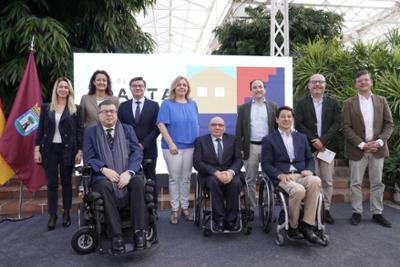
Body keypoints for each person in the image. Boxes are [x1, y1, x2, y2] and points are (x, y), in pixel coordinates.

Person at [83, 99, 147, 254]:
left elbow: (137, 152)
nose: (109, 114)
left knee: (138, 182)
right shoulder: (91, 132)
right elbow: (89, 157)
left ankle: (139, 231)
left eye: (112, 111)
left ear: (117, 114)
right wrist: (104, 170)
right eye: (105, 111)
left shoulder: (127, 129)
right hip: (102, 177)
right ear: (99, 115)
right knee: (104, 186)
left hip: (126, 172)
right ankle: (116, 235)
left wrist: (129, 172)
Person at [261, 106, 321, 243]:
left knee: (316, 181)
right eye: (283, 116)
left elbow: (309, 159)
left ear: (293, 119)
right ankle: (293, 227)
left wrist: (309, 170)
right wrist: (279, 175)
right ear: (277, 120)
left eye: (289, 116)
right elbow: (266, 164)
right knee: (298, 190)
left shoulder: (301, 137)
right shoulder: (269, 139)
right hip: (284, 177)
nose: (286, 119)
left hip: (301, 174)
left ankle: (307, 225)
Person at [342, 70, 393, 228]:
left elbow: (389, 124)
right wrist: (362, 144)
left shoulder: (381, 100)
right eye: (359, 81)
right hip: (358, 149)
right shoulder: (348, 103)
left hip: (378, 149)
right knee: (355, 182)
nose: (362, 83)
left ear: (371, 82)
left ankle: (377, 212)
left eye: (365, 80)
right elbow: (346, 127)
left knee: (377, 182)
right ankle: (356, 212)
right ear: (355, 84)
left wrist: (379, 142)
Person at [34, 77, 83, 230]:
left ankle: (66, 212)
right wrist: (36, 149)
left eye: (66, 87)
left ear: (69, 91)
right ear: (56, 89)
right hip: (49, 150)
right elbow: (40, 130)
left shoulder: (76, 109)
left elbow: (80, 132)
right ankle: (52, 215)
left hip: (68, 150)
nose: (63, 89)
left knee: (67, 183)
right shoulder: (46, 107)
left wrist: (80, 151)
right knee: (52, 184)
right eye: (60, 87)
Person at [294, 74, 341, 224]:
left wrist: (323, 140)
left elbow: (336, 123)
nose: (317, 85)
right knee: (312, 180)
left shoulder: (333, 103)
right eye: (314, 82)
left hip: (327, 148)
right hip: (309, 148)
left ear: (325, 85)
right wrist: (314, 140)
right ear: (309, 85)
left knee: (327, 180)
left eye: (320, 82)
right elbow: (299, 124)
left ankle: (325, 209)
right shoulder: (301, 104)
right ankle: (313, 209)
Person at [157, 75, 199, 224]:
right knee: (174, 179)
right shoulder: (167, 104)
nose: (182, 87)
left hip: (190, 147)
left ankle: (185, 208)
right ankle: (175, 209)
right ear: (174, 87)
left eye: (185, 85)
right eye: (179, 85)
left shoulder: (193, 104)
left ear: (188, 88)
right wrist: (171, 144)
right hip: (172, 148)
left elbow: (195, 125)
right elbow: (161, 124)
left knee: (186, 178)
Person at [235, 79, 278, 216]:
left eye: (260, 87)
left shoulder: (273, 106)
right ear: (251, 90)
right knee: (250, 179)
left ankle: (266, 206)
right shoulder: (243, 108)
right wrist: (239, 148)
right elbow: (239, 130)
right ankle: (251, 208)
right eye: (255, 87)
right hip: (251, 147)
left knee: (268, 179)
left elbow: (277, 129)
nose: (258, 89)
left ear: (264, 89)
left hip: (268, 148)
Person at [193, 117, 243, 231]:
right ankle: (219, 219)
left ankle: (231, 221)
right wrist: (215, 172)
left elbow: (239, 160)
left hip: (230, 173)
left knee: (235, 184)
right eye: (214, 125)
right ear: (209, 127)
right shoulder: (200, 141)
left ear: (224, 128)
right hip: (210, 175)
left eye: (220, 125)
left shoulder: (233, 140)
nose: (217, 127)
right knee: (213, 182)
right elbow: (197, 163)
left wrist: (230, 173)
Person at [118, 77, 160, 211]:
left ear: (144, 88)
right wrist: (133, 145)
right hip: (128, 150)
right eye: (134, 86)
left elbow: (157, 128)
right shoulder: (123, 106)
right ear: (130, 88)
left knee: (150, 178)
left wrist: (143, 144)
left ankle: (153, 208)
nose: (137, 88)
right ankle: (133, 208)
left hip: (149, 149)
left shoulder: (154, 105)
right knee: (132, 178)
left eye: (140, 86)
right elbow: (120, 127)